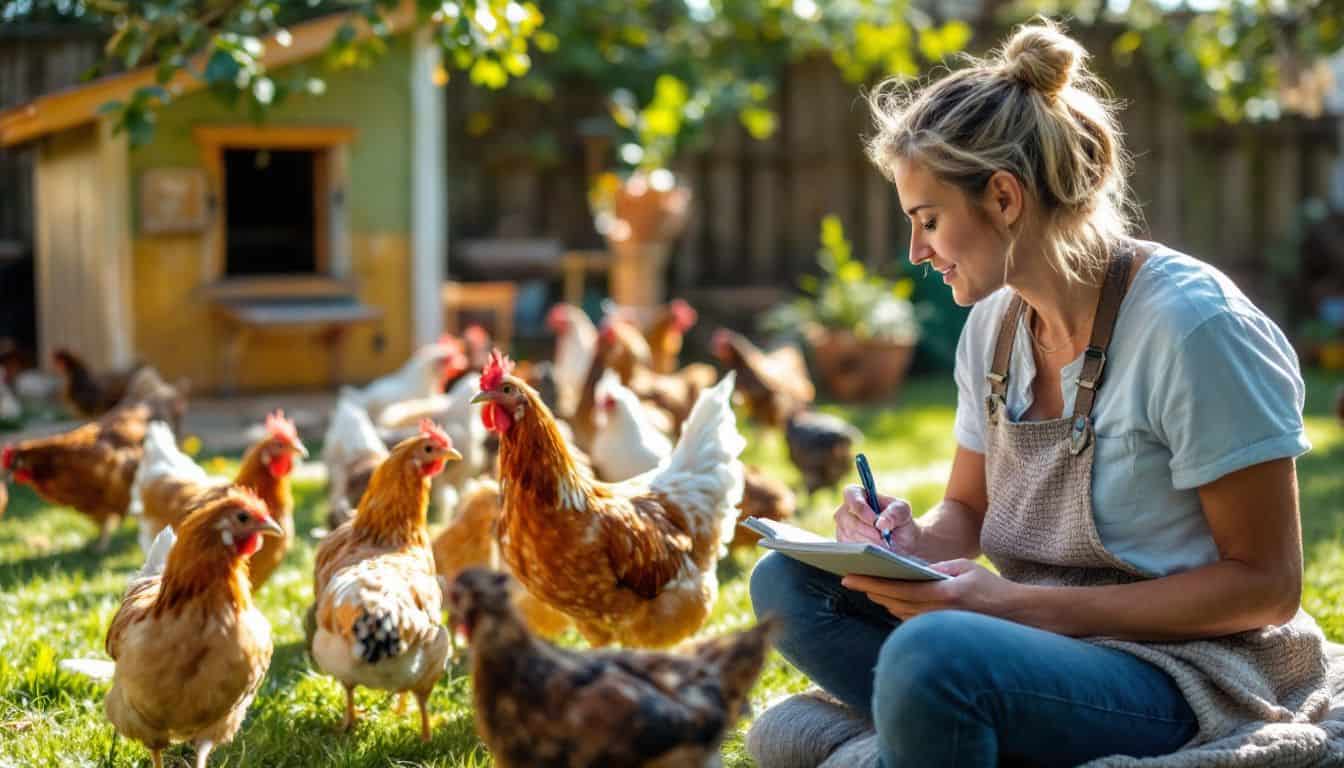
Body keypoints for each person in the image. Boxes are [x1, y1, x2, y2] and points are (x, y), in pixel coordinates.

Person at [748, 18, 1344, 768]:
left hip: (1190, 673)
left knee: (930, 659)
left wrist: (1019, 607)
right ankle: (951, 720)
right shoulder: (994, 324)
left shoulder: (1193, 329)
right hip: (1041, 647)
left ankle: (938, 719)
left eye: (928, 220)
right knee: (788, 586)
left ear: (1002, 197)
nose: (915, 251)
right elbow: (965, 510)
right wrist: (904, 544)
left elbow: (1267, 587)